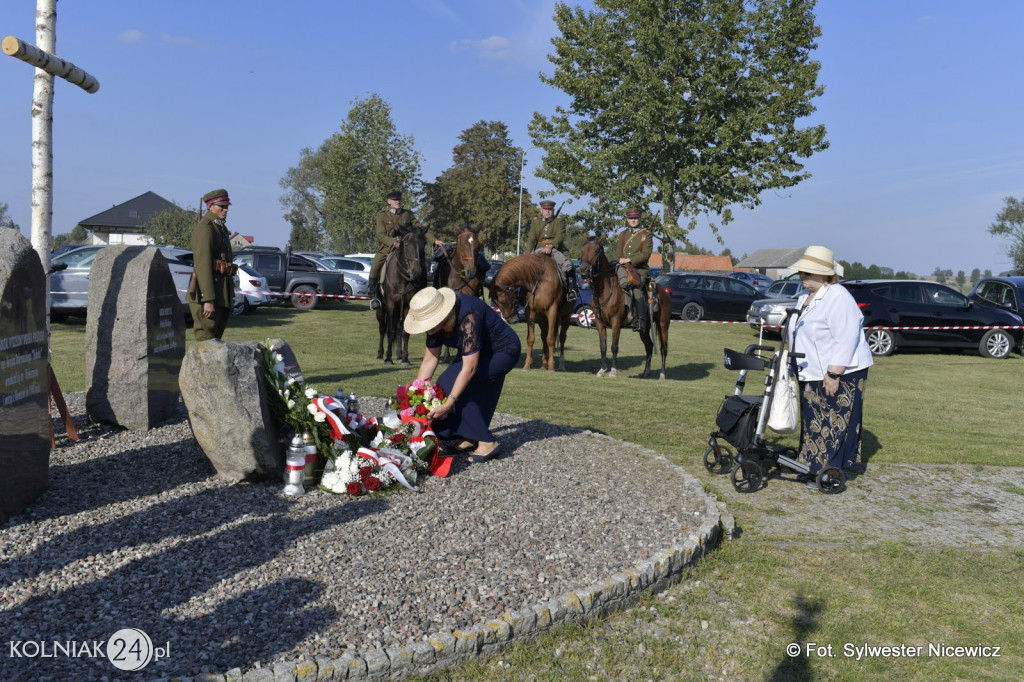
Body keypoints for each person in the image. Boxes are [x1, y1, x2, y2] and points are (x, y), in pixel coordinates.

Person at [787, 245, 874, 490]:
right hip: (811, 370)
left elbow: (846, 337)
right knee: (814, 420)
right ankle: (811, 466)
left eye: (810, 272)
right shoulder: (805, 296)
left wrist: (834, 372)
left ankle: (829, 471)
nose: (804, 276)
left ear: (826, 274)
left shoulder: (838, 296)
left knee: (833, 422)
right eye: (802, 272)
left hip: (842, 371)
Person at [404, 286, 522, 463]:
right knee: (444, 385)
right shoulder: (435, 327)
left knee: (463, 389)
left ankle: (487, 443)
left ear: (442, 315)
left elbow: (469, 370)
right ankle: (469, 436)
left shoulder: (469, 315)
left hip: (502, 350)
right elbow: (430, 359)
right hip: (475, 351)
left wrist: (448, 403)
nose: (426, 328)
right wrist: (417, 393)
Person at [368, 190, 442, 310]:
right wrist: (394, 243)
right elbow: (381, 235)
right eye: (394, 200)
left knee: (420, 263)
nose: (397, 202)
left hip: (407, 247)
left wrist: (434, 240)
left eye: (399, 199)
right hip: (388, 247)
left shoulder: (408, 214)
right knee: (376, 264)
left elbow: (421, 229)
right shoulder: (381, 215)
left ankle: (423, 291)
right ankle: (374, 296)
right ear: (388, 201)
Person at [187, 189, 236, 341]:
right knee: (206, 342)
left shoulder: (220, 229)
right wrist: (208, 299)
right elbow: (202, 265)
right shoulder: (205, 229)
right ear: (210, 206)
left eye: (227, 206)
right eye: (221, 206)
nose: (225, 209)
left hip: (221, 295)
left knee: (215, 342)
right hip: (209, 297)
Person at [525, 199, 581, 302]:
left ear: (553, 210)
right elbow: (531, 239)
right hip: (539, 250)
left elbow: (560, 236)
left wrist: (550, 246)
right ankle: (522, 293)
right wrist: (527, 254)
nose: (547, 211)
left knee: (569, 266)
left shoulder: (559, 220)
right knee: (525, 268)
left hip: (556, 249)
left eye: (549, 209)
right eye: (545, 209)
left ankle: (571, 290)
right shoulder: (536, 221)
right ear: (541, 210)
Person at [615, 208, 653, 331]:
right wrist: (621, 260)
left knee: (636, 289)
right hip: (623, 269)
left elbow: (645, 255)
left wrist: (629, 260)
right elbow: (618, 253)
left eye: (635, 218)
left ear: (640, 219)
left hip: (639, 270)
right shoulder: (623, 234)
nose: (633, 220)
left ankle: (641, 321)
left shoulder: (646, 235)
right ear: (627, 219)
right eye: (631, 218)